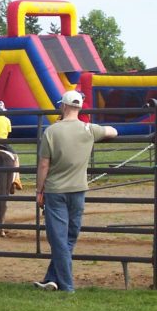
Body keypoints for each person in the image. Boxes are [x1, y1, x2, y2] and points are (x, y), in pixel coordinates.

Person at [33, 90, 117, 292]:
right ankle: (53, 279)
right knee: (70, 236)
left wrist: (38, 190)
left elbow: (44, 164)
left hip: (55, 190)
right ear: (79, 108)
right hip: (78, 189)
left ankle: (66, 285)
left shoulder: (51, 132)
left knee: (59, 238)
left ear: (63, 106)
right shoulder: (89, 129)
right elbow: (113, 131)